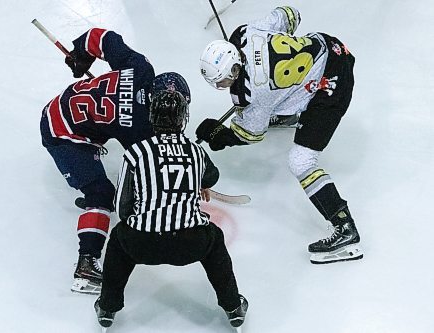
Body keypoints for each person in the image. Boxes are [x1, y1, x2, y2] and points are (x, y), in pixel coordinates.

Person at [196, 6, 363, 264]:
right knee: (283, 90)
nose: (220, 87)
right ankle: (289, 110)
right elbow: (290, 14)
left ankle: (345, 228)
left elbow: (249, 134)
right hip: (329, 45)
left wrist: (220, 135)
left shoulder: (253, 93)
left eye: (221, 82)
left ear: (231, 72)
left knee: (301, 161)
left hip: (332, 85)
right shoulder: (244, 34)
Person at [40, 27, 192, 294]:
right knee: (101, 193)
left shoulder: (141, 68)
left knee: (102, 181)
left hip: (63, 105)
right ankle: (86, 264)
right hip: (61, 134)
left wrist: (80, 55)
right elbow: (148, 169)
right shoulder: (141, 129)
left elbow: (102, 37)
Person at [93, 90, 248, 330]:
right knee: (214, 240)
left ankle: (107, 307)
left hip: (142, 244)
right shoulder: (196, 152)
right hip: (190, 243)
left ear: (152, 117)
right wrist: (198, 182)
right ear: (183, 118)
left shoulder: (135, 153)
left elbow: (121, 207)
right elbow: (212, 175)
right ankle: (233, 307)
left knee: (118, 240)